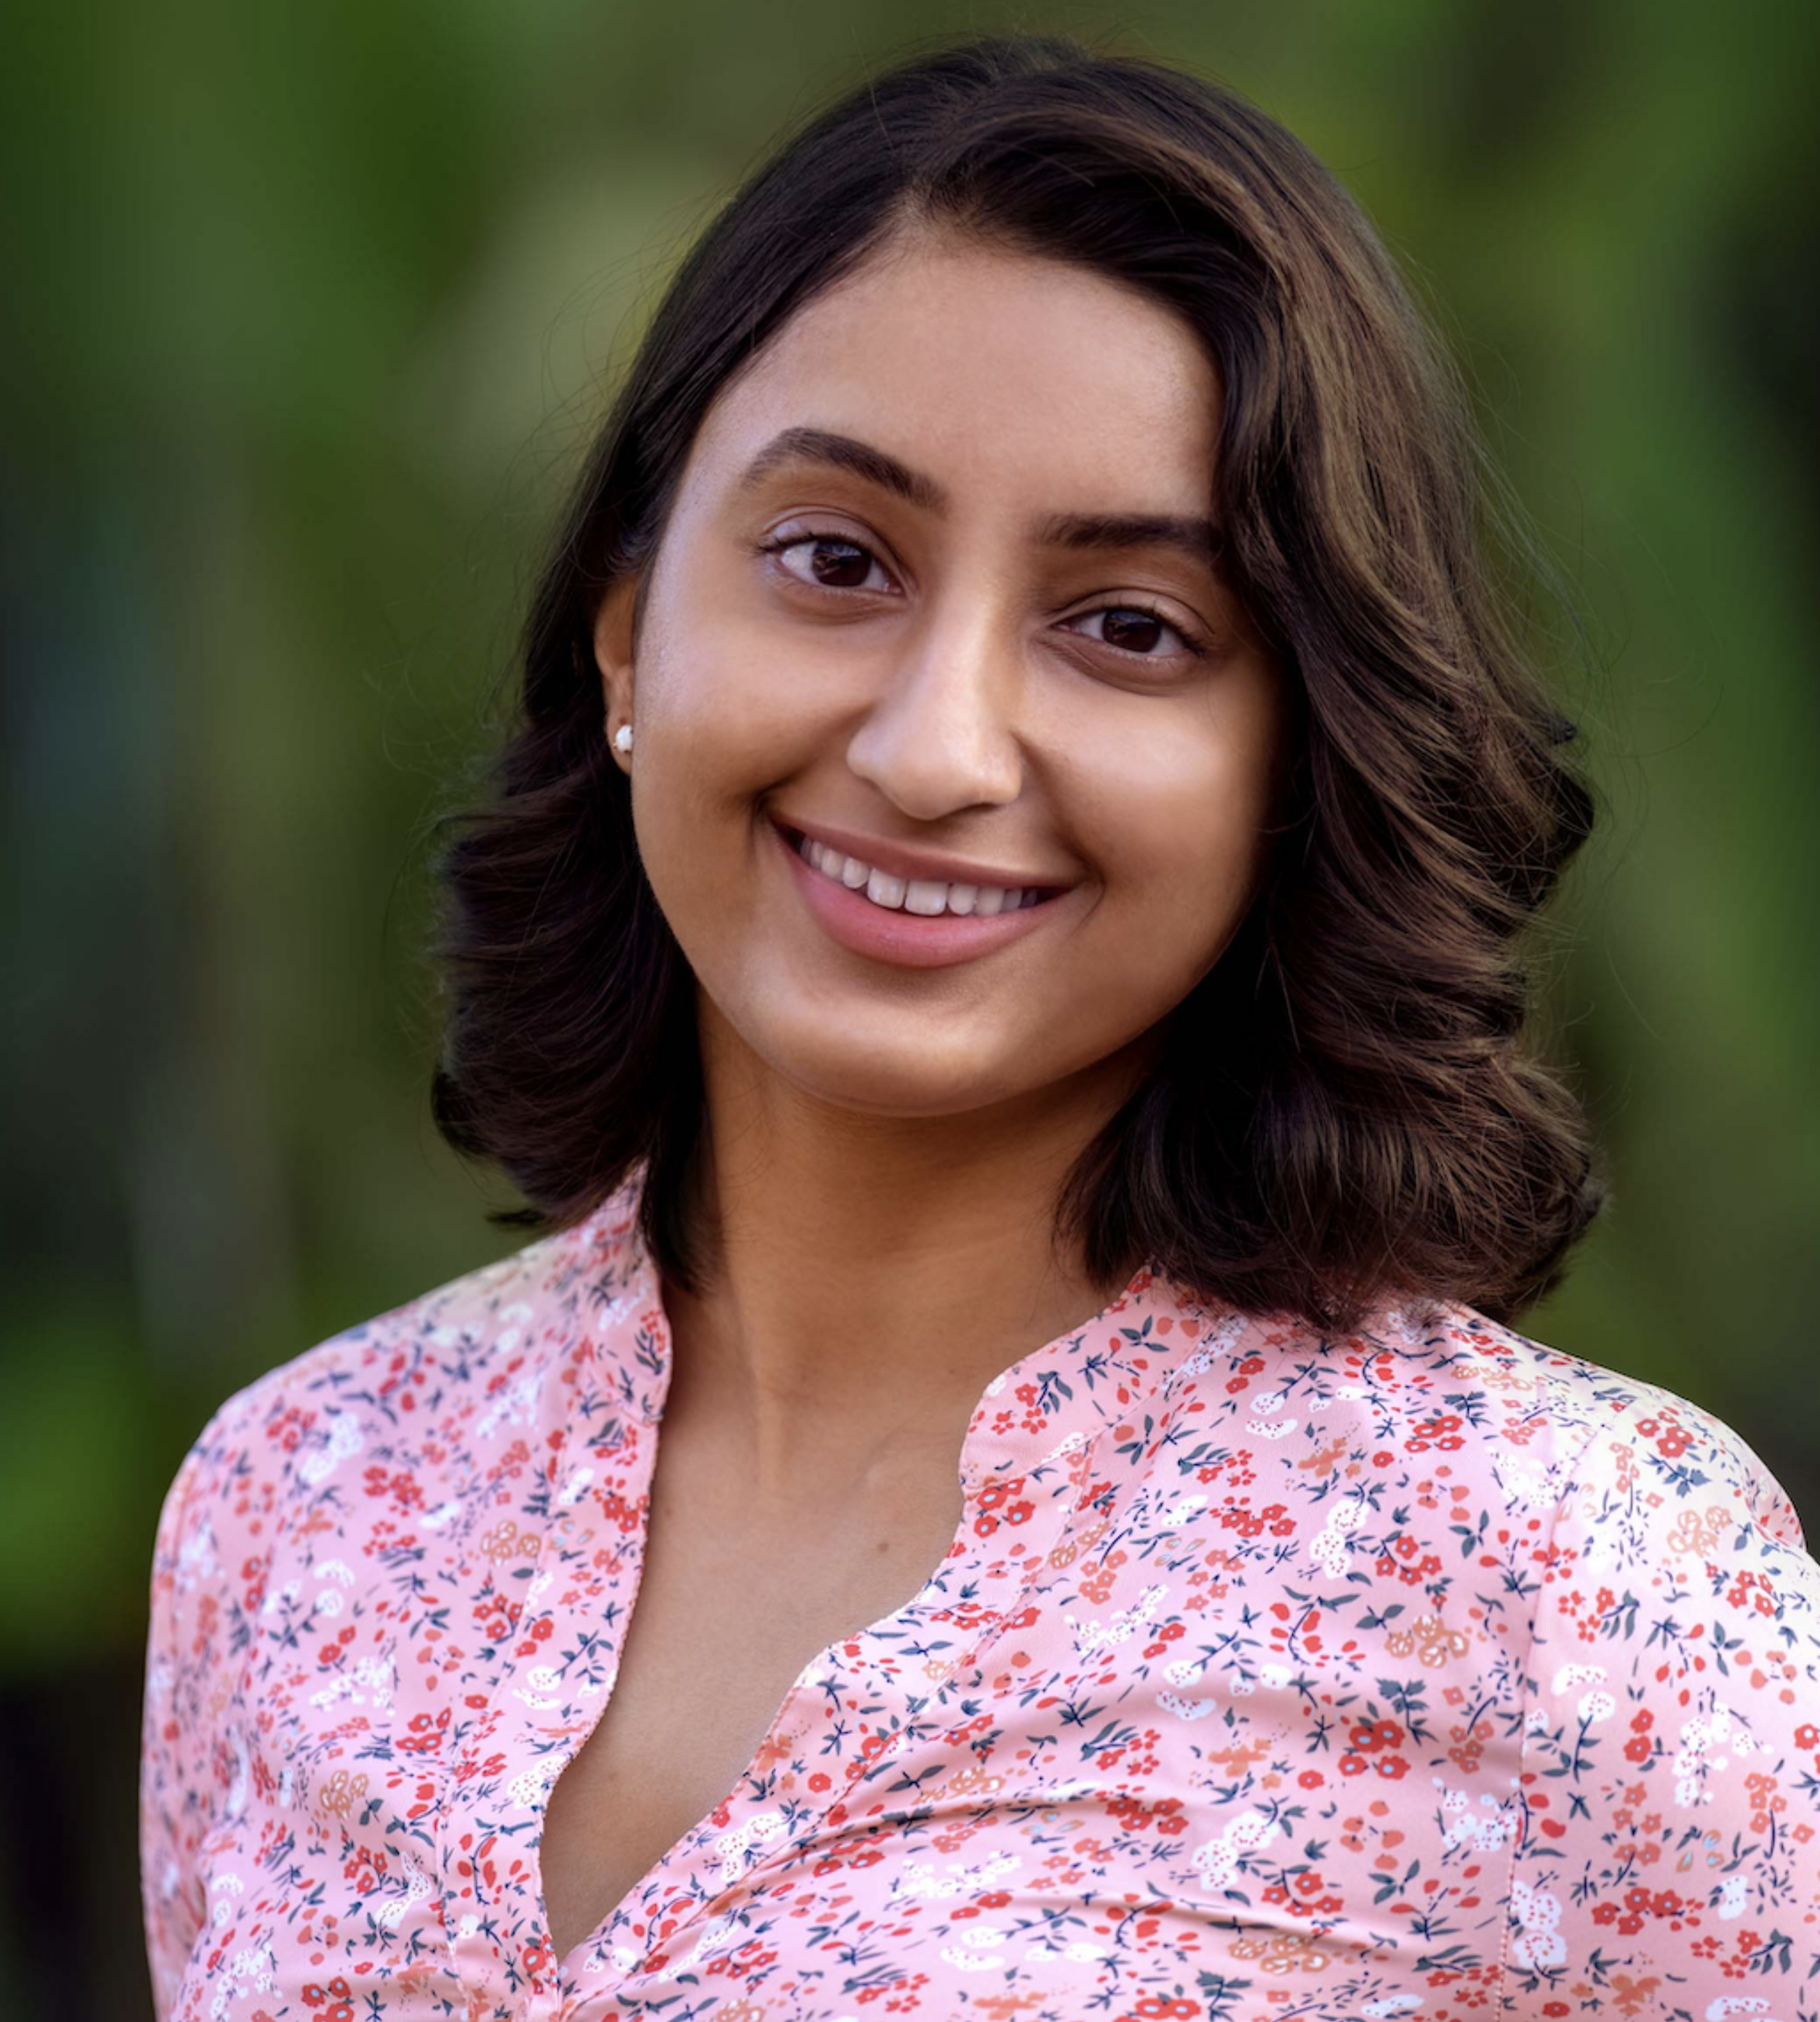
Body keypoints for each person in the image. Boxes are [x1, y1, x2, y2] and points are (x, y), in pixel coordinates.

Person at [138, 33, 1820, 2022]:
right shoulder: (303, 1502)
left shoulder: (1569, 1578)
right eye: (834, 561)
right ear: (624, 629)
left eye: (1128, 626)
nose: (932, 749)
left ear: (1293, 760)